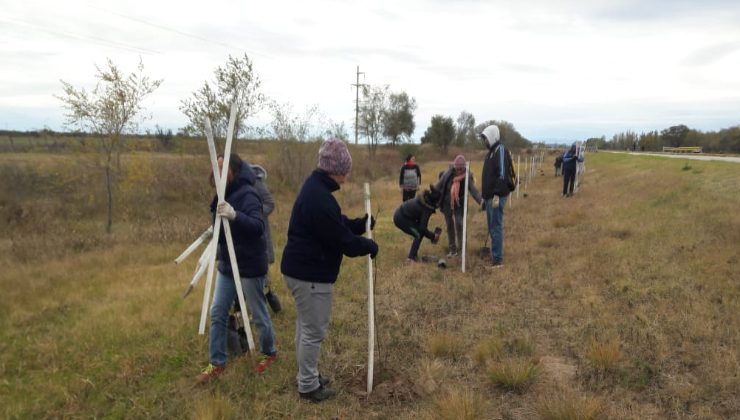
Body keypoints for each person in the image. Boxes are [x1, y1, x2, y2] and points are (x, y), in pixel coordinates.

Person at [281, 138, 378, 403]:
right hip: (309, 275)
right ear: (335, 169)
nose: (347, 175)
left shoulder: (317, 191)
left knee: (306, 327)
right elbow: (341, 240)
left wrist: (359, 224)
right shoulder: (319, 198)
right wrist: (368, 245)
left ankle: (307, 375)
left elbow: (336, 224)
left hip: (301, 271)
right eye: (345, 170)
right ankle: (309, 386)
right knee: (313, 331)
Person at [196, 154, 278, 384]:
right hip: (228, 265)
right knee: (218, 311)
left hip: (250, 264)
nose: (216, 172)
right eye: (215, 168)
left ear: (233, 170)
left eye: (221, 168)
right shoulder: (224, 193)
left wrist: (235, 215)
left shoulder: (248, 194)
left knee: (258, 313)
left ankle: (269, 352)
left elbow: (257, 226)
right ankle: (217, 362)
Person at [480, 124, 517, 268]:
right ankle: (495, 254)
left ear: (492, 136)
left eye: (485, 138)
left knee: (495, 226)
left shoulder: (500, 150)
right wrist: (484, 196)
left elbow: (501, 174)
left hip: (497, 195)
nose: (484, 141)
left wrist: (496, 194)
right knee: (492, 226)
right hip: (490, 196)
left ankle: (497, 259)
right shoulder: (491, 152)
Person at [435, 155, 482, 257]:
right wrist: (431, 195)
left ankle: (462, 249)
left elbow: (474, 191)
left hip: (460, 203)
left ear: (464, 167)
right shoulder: (448, 174)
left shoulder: (467, 176)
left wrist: (482, 202)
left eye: (461, 169)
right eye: (457, 168)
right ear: (454, 167)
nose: (459, 170)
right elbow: (438, 185)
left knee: (459, 223)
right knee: (449, 225)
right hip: (447, 202)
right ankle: (452, 250)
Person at [393, 186, 442, 262]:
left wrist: (431, 236)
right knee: (418, 234)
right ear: (435, 201)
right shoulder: (426, 209)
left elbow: (422, 226)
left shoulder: (424, 200)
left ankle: (414, 255)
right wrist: (433, 236)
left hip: (402, 215)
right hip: (401, 219)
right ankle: (410, 259)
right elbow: (423, 228)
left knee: (420, 232)